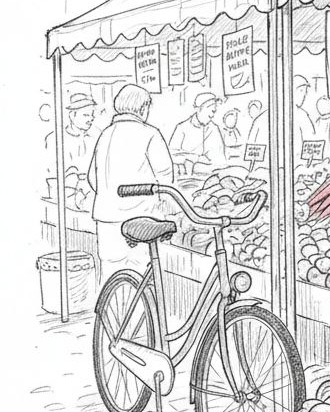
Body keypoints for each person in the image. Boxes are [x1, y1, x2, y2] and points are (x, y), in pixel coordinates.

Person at [87, 85, 174, 278]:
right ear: (142, 108)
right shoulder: (150, 133)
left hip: (106, 219)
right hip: (141, 219)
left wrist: (110, 195)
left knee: (111, 277)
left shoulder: (105, 134)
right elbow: (165, 176)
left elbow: (92, 177)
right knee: (140, 274)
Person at [170, 92, 227, 172]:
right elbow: (171, 156)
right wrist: (195, 158)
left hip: (208, 174)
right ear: (199, 109)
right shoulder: (182, 128)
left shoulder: (214, 129)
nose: (212, 115)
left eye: (214, 111)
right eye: (210, 110)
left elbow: (220, 161)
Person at [45, 92, 99, 175]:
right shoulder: (54, 139)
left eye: (92, 115)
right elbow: (51, 171)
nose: (91, 118)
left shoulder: (96, 137)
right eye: (86, 115)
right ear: (72, 115)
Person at [293, 75, 318, 142]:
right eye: (304, 91)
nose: (305, 96)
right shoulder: (301, 115)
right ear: (299, 90)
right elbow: (311, 139)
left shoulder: (266, 114)